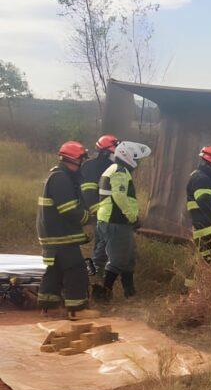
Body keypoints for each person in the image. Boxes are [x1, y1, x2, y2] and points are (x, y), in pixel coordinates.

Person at [36, 141, 98, 320]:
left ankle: (49, 307)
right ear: (75, 160)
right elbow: (68, 209)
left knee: (55, 269)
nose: (82, 165)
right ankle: (77, 309)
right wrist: (88, 218)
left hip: (54, 234)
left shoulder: (58, 175)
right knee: (76, 268)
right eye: (82, 160)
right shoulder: (61, 178)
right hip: (60, 235)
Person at [94, 141, 152, 300]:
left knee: (129, 256)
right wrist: (132, 217)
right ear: (128, 156)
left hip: (110, 220)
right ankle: (104, 293)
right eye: (137, 159)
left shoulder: (113, 169)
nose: (138, 163)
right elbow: (119, 196)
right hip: (116, 220)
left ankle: (129, 291)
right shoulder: (120, 171)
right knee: (118, 259)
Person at [80, 134, 119, 289]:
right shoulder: (92, 167)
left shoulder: (112, 167)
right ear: (105, 151)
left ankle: (100, 281)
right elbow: (88, 193)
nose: (117, 152)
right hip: (100, 213)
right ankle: (96, 281)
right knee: (101, 248)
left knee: (106, 247)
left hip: (110, 214)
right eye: (115, 149)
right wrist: (97, 212)